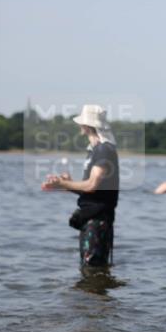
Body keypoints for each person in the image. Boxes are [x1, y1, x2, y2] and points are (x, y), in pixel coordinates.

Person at [42, 104, 120, 268]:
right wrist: (64, 185)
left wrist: (63, 183)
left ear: (87, 125)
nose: (79, 125)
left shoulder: (103, 150)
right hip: (92, 217)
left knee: (92, 267)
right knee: (92, 270)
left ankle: (93, 293)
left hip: (98, 220)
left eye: (81, 122)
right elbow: (92, 191)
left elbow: (91, 185)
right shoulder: (95, 150)